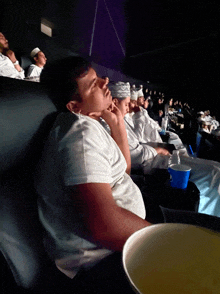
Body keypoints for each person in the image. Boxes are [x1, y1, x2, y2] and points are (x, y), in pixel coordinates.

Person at [35, 56, 151, 293]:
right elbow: (103, 226)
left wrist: (117, 123)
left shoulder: (90, 123)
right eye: (93, 83)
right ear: (74, 106)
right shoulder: (80, 133)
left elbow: (123, 174)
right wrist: (161, 238)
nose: (105, 81)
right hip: (101, 264)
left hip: (118, 245)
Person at [109, 82, 220, 219]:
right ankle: (211, 219)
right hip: (150, 164)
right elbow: (136, 154)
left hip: (153, 155)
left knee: (216, 168)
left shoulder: (120, 119)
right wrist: (158, 150)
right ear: (114, 102)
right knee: (214, 174)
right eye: (127, 104)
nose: (130, 107)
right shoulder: (112, 123)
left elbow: (138, 140)